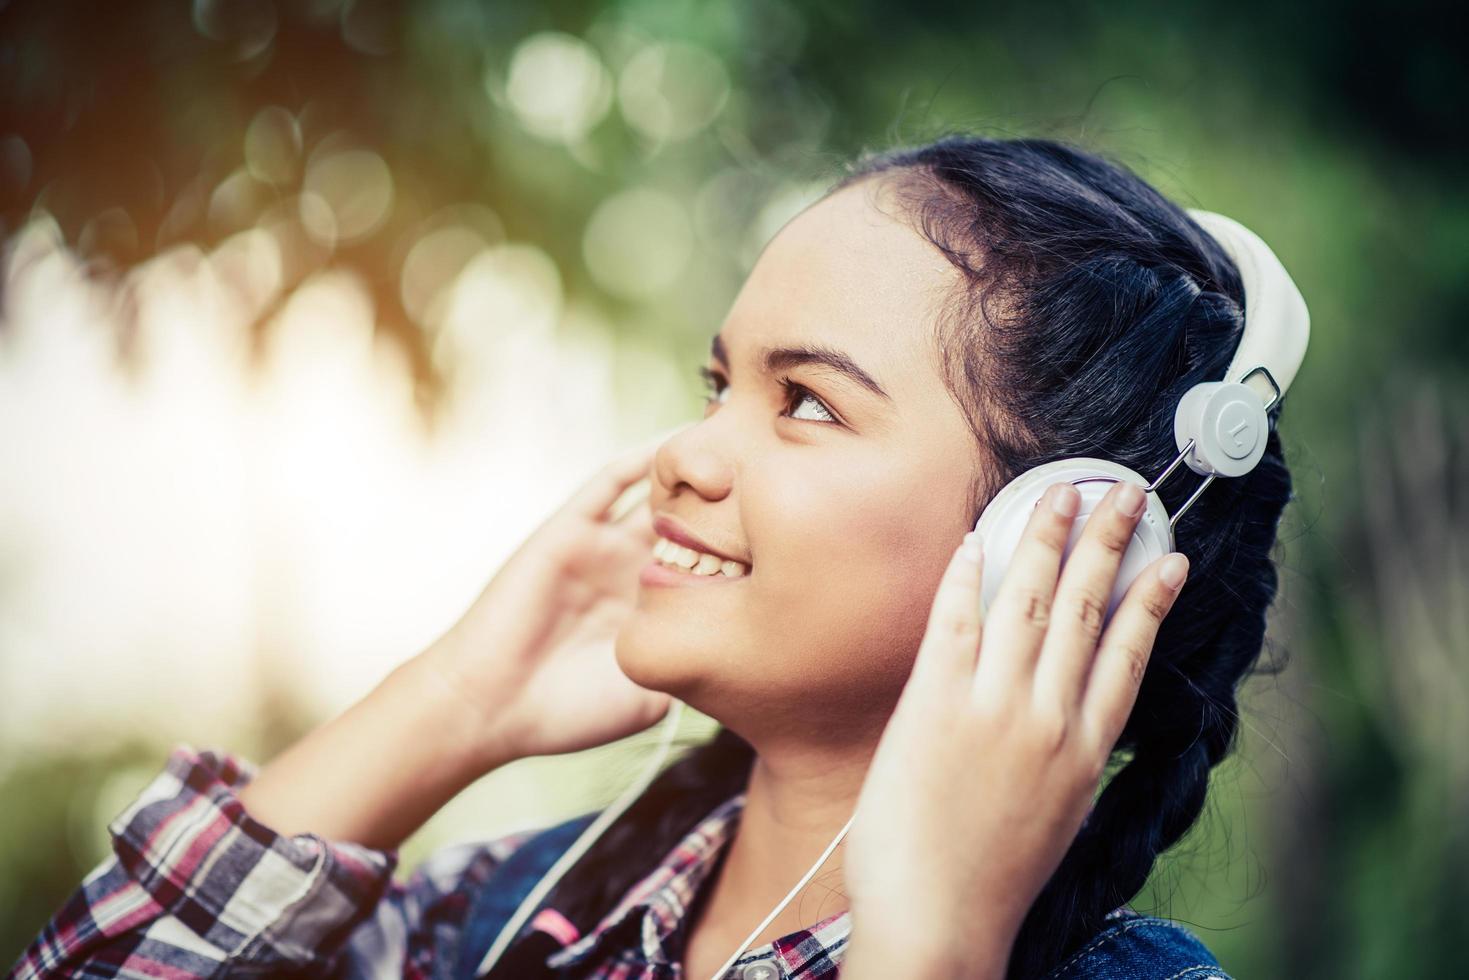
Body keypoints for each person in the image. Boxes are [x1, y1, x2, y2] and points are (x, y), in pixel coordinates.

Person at [10, 133, 1292, 980]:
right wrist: (452, 702)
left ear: (1056, 546)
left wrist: (931, 943)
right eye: (716, 380)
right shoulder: (510, 912)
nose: (686, 449)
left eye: (805, 402)